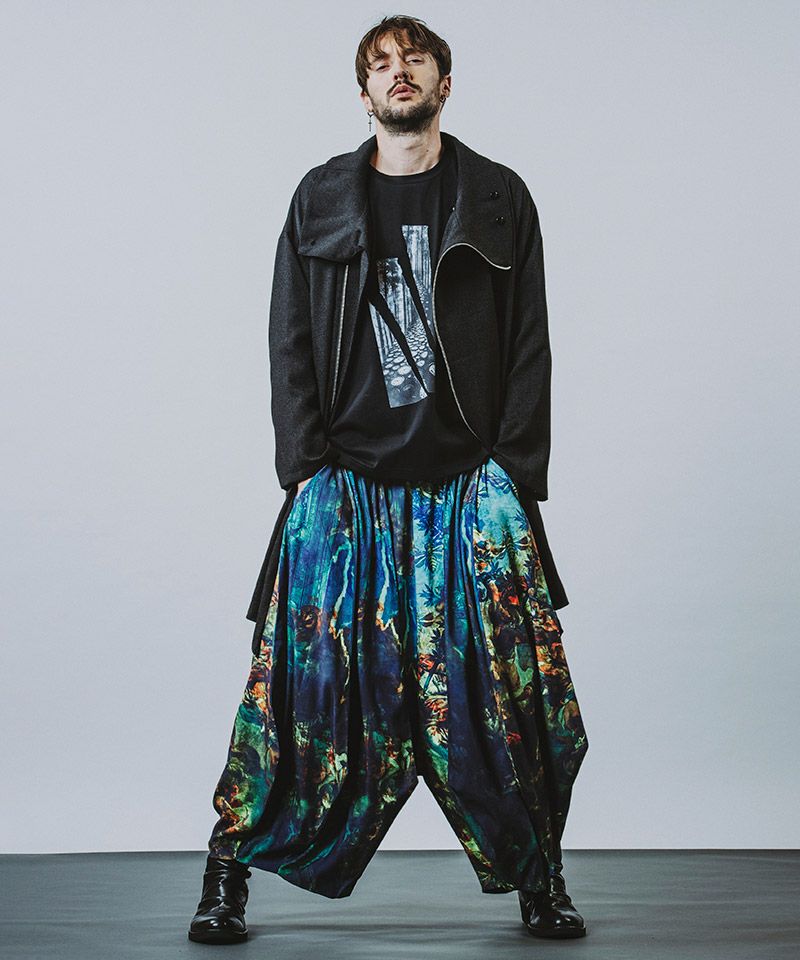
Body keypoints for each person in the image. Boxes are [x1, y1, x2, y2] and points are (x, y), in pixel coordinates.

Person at [188, 14, 589, 944]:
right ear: (362, 93)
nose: (397, 72)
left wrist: (510, 471)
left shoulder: (497, 195)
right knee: (299, 692)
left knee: (508, 689)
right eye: (380, 64)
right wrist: (306, 468)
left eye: (414, 59)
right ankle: (226, 873)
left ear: (444, 82)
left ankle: (540, 878)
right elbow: (289, 338)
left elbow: (530, 342)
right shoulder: (322, 196)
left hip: (466, 486)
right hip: (348, 486)